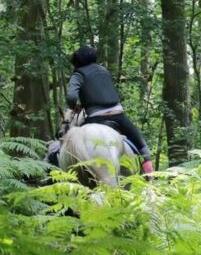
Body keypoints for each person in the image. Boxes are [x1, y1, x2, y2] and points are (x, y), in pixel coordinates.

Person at [64, 45, 153, 174]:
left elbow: (71, 97)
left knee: (70, 142)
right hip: (118, 115)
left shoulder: (78, 74)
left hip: (96, 118)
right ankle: (149, 178)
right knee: (142, 145)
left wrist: (74, 107)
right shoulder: (104, 71)